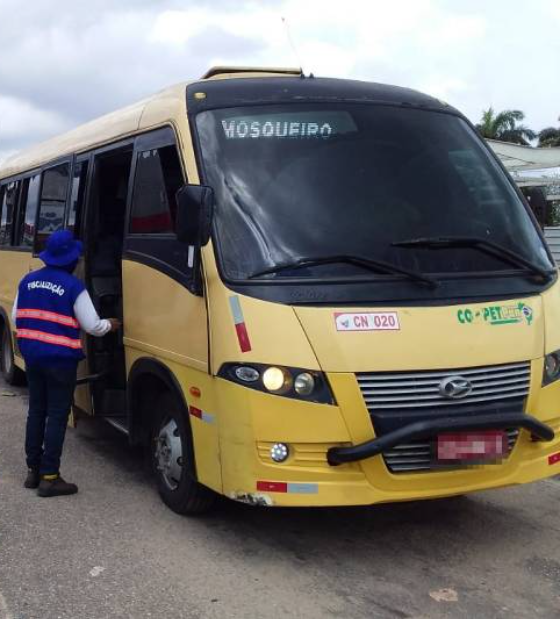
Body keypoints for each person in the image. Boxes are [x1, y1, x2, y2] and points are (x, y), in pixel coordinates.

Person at [12, 230, 121, 498]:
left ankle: (33, 472)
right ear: (72, 258)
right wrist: (111, 324)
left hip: (33, 357)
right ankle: (50, 478)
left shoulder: (28, 281)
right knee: (58, 415)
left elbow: (16, 316)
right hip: (61, 361)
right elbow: (92, 326)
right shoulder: (73, 286)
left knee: (37, 411)